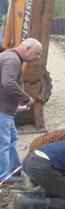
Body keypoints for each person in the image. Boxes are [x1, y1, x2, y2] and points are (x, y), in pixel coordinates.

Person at [0, 38, 42, 183]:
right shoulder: (12, 60)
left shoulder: (10, 57)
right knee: (3, 143)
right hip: (2, 111)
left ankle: (14, 170)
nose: (36, 58)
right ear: (27, 49)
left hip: (6, 110)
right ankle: (4, 176)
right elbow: (8, 83)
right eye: (36, 54)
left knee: (11, 139)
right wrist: (25, 98)